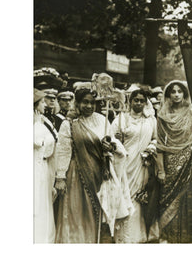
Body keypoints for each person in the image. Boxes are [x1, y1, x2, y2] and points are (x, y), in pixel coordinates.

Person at [54, 88, 130, 243]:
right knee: (77, 211)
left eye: (92, 103)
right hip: (77, 174)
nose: (89, 106)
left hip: (99, 172)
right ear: (78, 103)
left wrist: (110, 147)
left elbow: (114, 143)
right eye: (85, 102)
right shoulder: (68, 124)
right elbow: (63, 151)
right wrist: (60, 177)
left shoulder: (102, 121)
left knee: (98, 211)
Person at [112, 86, 158, 243]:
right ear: (130, 101)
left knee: (138, 197)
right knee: (124, 195)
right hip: (124, 163)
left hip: (142, 163)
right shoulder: (121, 119)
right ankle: (122, 236)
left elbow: (156, 139)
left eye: (142, 101)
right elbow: (111, 140)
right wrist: (117, 141)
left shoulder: (150, 120)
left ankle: (137, 235)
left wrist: (150, 150)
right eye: (136, 100)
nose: (139, 103)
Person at [156, 80, 192, 243]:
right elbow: (160, 143)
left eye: (179, 91)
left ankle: (184, 236)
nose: (176, 94)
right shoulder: (162, 115)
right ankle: (167, 236)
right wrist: (161, 169)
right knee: (167, 196)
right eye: (173, 92)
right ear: (168, 95)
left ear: (184, 94)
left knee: (185, 196)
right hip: (169, 160)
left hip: (188, 158)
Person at [34, 89, 56, 243]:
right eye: (42, 102)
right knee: (37, 202)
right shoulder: (35, 123)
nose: (45, 104)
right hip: (36, 166)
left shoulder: (41, 120)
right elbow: (38, 142)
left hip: (44, 166)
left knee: (44, 202)